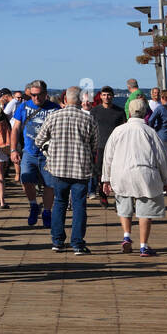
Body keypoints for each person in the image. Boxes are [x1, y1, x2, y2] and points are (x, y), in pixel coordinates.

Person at [102, 96, 167, 256]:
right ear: (145, 112)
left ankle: (126, 236)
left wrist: (105, 178)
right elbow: (161, 158)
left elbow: (108, 156)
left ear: (129, 112)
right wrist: (166, 180)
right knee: (145, 210)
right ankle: (143, 245)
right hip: (145, 174)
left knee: (124, 206)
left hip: (121, 174)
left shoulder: (118, 131)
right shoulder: (150, 132)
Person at [34, 85, 99, 254]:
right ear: (80, 101)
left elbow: (38, 140)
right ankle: (77, 243)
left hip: (59, 168)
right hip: (80, 168)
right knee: (79, 206)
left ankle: (57, 241)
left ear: (65, 100)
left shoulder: (53, 116)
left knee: (60, 203)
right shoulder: (89, 119)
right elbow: (94, 145)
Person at [11, 80, 60, 228]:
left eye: (38, 95)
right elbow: (15, 129)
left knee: (49, 184)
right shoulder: (23, 107)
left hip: (48, 154)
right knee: (25, 179)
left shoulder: (55, 108)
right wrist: (13, 150)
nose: (35, 98)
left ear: (45, 94)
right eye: (32, 95)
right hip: (29, 151)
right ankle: (33, 205)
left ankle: (46, 212)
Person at [91, 86, 127, 207]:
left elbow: (124, 128)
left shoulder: (120, 111)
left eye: (109, 95)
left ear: (113, 96)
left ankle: (119, 199)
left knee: (117, 172)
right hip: (100, 146)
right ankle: (103, 195)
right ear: (101, 96)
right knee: (100, 172)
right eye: (104, 95)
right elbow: (90, 128)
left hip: (116, 146)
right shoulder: (95, 111)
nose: (107, 97)